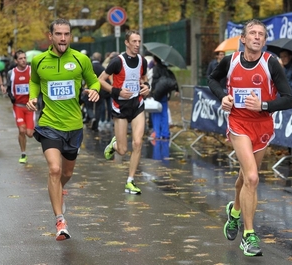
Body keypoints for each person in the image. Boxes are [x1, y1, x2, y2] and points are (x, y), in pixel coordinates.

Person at [208, 19, 292, 257]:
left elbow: (288, 99)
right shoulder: (231, 61)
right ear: (243, 39)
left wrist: (264, 105)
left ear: (264, 41)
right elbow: (213, 80)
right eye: (252, 33)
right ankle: (249, 235)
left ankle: (234, 212)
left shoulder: (271, 64)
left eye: (261, 34)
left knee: (246, 177)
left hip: (263, 126)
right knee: (253, 178)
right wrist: (223, 97)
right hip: (238, 123)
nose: (257, 37)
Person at [26, 18, 100, 241]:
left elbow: (94, 81)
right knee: (55, 170)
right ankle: (60, 221)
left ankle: (57, 191)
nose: (63, 38)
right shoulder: (39, 61)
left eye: (67, 34)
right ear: (51, 36)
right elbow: (35, 82)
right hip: (49, 124)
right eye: (58, 34)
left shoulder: (81, 59)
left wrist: (94, 91)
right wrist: (32, 98)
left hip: (74, 126)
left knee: (66, 173)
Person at [98, 30, 150, 195]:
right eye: (134, 41)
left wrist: (147, 87)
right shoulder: (117, 62)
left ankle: (130, 181)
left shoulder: (142, 61)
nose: (137, 45)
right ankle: (114, 145)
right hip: (120, 106)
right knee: (122, 150)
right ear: (127, 43)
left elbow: (144, 78)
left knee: (137, 143)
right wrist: (117, 91)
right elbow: (100, 80)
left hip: (137, 105)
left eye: (139, 41)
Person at [6, 50, 34, 163]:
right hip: (18, 106)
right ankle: (23, 154)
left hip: (29, 106)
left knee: (30, 134)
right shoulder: (11, 73)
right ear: (16, 61)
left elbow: (37, 85)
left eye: (24, 58)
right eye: (21, 58)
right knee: (22, 130)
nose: (23, 60)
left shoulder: (31, 71)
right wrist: (11, 96)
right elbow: (8, 87)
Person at [150, 56, 178, 139]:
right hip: (165, 94)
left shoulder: (155, 69)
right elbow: (172, 80)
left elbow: (153, 81)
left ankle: (157, 134)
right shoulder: (166, 69)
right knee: (164, 113)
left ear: (154, 60)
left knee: (156, 114)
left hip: (156, 94)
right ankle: (165, 133)